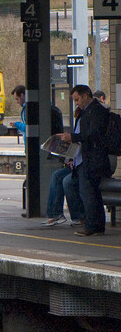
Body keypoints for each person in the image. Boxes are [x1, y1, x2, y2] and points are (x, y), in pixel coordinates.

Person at [58, 85, 111, 236]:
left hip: (92, 159)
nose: (76, 103)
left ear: (86, 95)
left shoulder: (96, 111)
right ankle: (94, 225)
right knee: (88, 192)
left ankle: (93, 226)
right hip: (84, 159)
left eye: (77, 99)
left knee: (88, 193)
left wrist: (73, 137)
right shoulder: (87, 111)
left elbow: (93, 134)